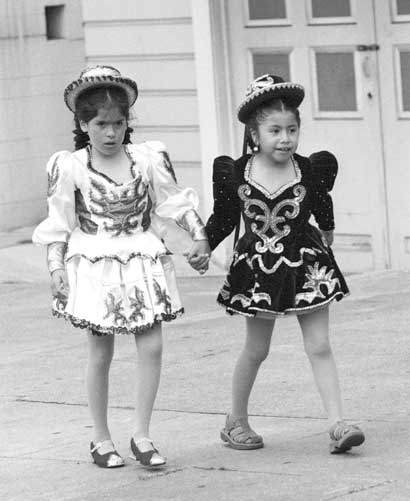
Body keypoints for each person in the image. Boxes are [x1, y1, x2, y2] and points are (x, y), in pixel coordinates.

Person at [32, 65, 210, 468]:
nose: (111, 132)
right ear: (83, 124)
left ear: (128, 121)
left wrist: (198, 238)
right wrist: (56, 266)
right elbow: (58, 221)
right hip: (96, 264)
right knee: (100, 352)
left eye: (118, 123)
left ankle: (142, 434)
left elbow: (172, 202)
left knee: (152, 346)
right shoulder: (71, 165)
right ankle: (100, 438)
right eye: (100, 124)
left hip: (142, 261)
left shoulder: (147, 158)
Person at [205, 74, 365, 454]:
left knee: (320, 344)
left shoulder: (308, 169)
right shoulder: (235, 173)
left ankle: (338, 424)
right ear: (254, 133)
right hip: (258, 268)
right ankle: (236, 421)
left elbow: (320, 201)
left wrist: (327, 229)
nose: (285, 138)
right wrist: (203, 245)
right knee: (257, 349)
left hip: (307, 266)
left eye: (292, 129)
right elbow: (225, 218)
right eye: (274, 130)